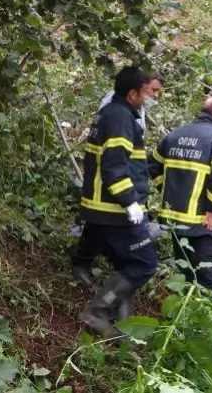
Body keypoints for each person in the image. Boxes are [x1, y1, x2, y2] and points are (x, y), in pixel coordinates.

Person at [76, 66, 158, 337]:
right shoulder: (121, 118)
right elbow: (114, 166)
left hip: (101, 206)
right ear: (132, 93)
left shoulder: (108, 114)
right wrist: (130, 202)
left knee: (126, 265)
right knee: (143, 264)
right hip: (114, 209)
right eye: (146, 93)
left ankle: (124, 329)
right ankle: (97, 312)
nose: (147, 98)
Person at [147, 97, 212, 295]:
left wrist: (166, 190)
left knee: (186, 277)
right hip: (201, 222)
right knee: (208, 282)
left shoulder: (176, 135)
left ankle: (186, 319)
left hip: (174, 221)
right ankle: (207, 324)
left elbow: (152, 164)